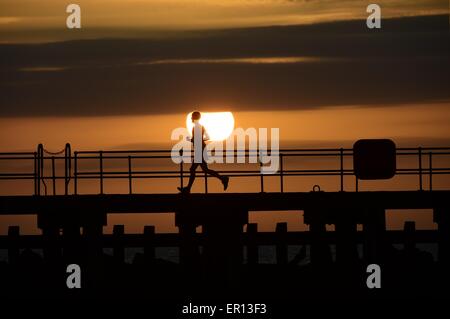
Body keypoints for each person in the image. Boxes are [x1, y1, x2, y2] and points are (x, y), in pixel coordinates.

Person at [178, 111, 229, 193]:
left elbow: (196, 140)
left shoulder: (196, 127)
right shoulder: (200, 126)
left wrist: (189, 139)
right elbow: (207, 137)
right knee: (205, 170)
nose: (191, 118)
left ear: (194, 118)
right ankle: (223, 178)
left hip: (200, 150)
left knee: (193, 169)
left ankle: (188, 189)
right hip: (201, 149)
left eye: (192, 117)